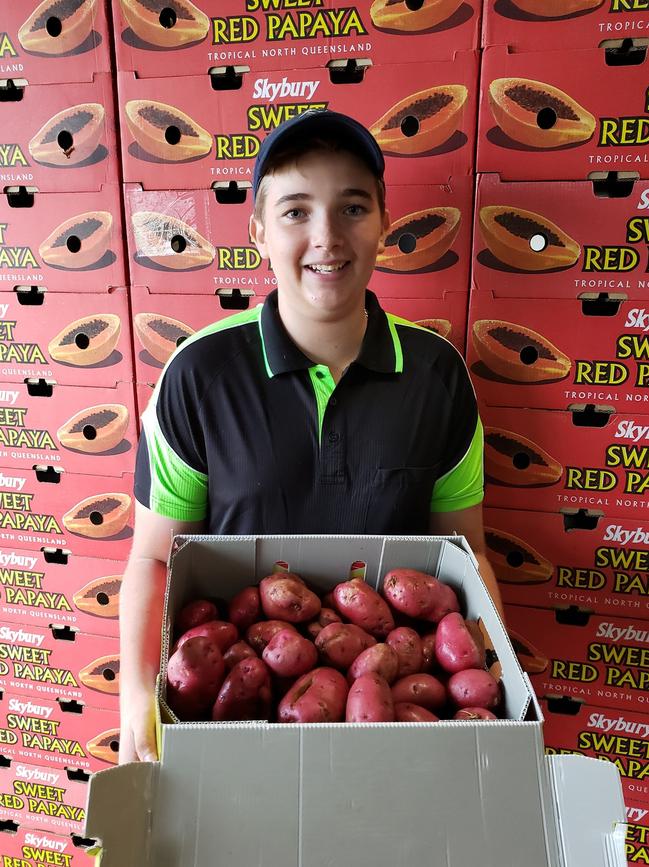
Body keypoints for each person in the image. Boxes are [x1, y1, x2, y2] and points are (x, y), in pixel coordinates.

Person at [119, 109, 502, 764]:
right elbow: (155, 560)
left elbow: (466, 555)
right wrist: (134, 694)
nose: (327, 237)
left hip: (388, 740)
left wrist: (496, 681)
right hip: (237, 723)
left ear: (384, 224)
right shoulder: (198, 374)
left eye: (353, 207)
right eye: (296, 211)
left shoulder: (438, 376)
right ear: (259, 231)